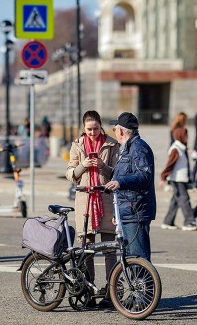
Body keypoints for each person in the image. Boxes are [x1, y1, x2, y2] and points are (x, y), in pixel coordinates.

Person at [65, 110, 120, 307]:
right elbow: (70, 174)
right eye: (88, 129)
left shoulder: (112, 144)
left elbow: (117, 173)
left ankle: (112, 292)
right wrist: (83, 166)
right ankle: (88, 290)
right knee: (86, 250)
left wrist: (102, 165)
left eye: (96, 128)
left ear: (100, 126)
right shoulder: (77, 145)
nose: (92, 132)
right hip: (85, 202)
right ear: (83, 127)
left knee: (110, 249)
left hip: (105, 201)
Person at [105, 112, 156, 261]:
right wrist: (117, 213)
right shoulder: (126, 149)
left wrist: (120, 182)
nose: (114, 133)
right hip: (127, 211)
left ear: (120, 131)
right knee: (130, 259)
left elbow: (144, 176)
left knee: (138, 258)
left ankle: (145, 285)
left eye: (115, 129)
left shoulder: (138, 148)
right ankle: (136, 284)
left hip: (136, 211)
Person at [159, 127, 197, 231]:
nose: (187, 138)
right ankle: (189, 222)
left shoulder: (181, 148)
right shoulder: (176, 148)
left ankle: (168, 221)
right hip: (177, 179)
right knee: (184, 199)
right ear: (180, 136)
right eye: (186, 135)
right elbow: (170, 164)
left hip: (180, 178)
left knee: (175, 200)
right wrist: (163, 177)